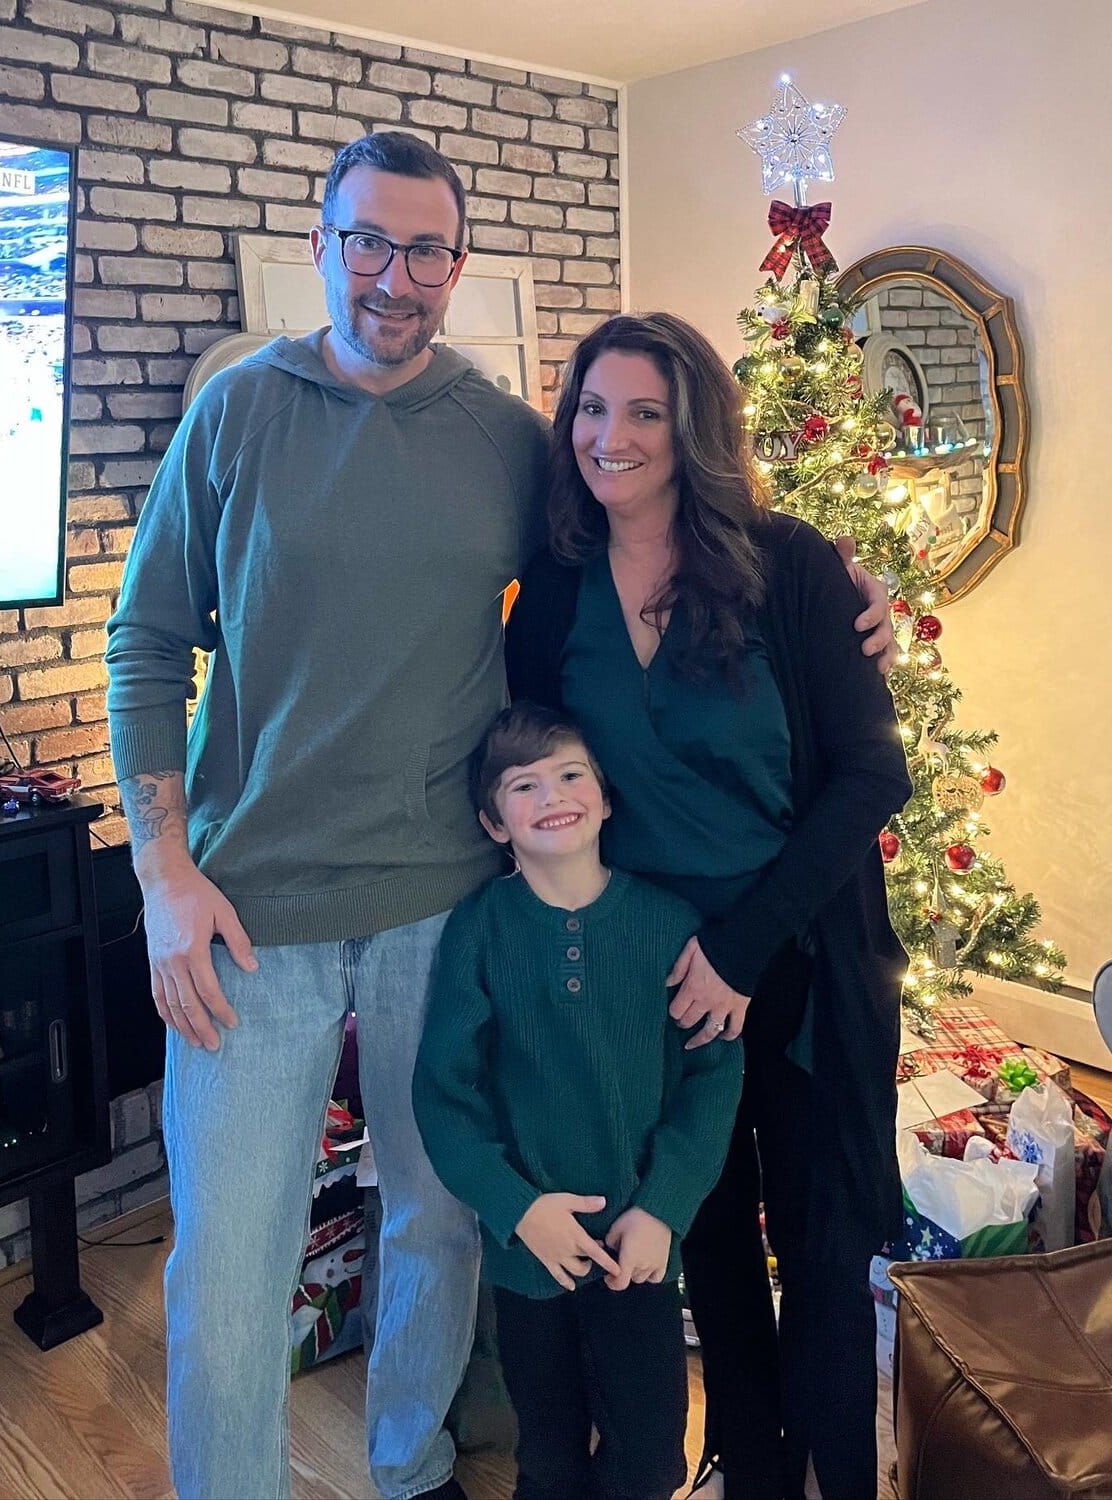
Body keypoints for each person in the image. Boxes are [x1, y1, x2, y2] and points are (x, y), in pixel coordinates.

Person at [106, 128, 895, 1499]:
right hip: (251, 912)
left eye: (427, 250)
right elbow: (147, 641)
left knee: (442, 1228)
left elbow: (664, 528)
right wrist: (162, 870)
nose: (395, 277)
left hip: (456, 908)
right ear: (324, 244)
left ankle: (412, 1470)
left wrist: (847, 588)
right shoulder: (237, 413)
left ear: (457, 265)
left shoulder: (507, 441)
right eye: (370, 241)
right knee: (230, 1271)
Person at [504, 312, 914, 1500]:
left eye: (647, 412)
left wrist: (738, 951)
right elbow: (536, 769)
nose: (613, 436)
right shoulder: (552, 590)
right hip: (648, 982)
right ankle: (753, 1470)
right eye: (592, 408)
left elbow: (873, 774)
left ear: (695, 429)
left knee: (824, 1256)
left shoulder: (788, 565)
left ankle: (838, 1474)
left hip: (798, 966)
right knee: (711, 1241)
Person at [413, 702, 744, 1500]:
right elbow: (444, 1094)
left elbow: (712, 1079)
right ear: (494, 823)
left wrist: (664, 1208)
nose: (553, 795)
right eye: (524, 785)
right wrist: (517, 1208)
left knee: (650, 1463)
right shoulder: (479, 930)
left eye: (570, 775)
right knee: (548, 1457)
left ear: (604, 796)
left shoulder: (669, 925)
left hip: (639, 1251)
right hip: (531, 1255)